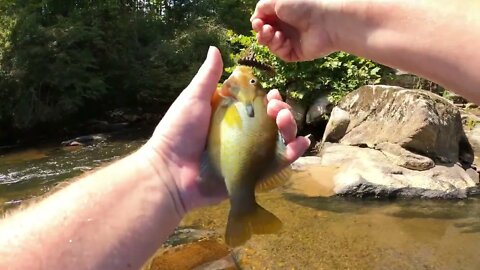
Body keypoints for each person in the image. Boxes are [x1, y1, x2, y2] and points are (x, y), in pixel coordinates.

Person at [1, 0, 479, 269]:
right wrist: (166, 170)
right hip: (209, 165)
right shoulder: (231, 97)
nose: (238, 78)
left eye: (242, 80)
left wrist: (164, 176)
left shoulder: (234, 97)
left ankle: (239, 202)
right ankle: (240, 202)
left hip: (211, 166)